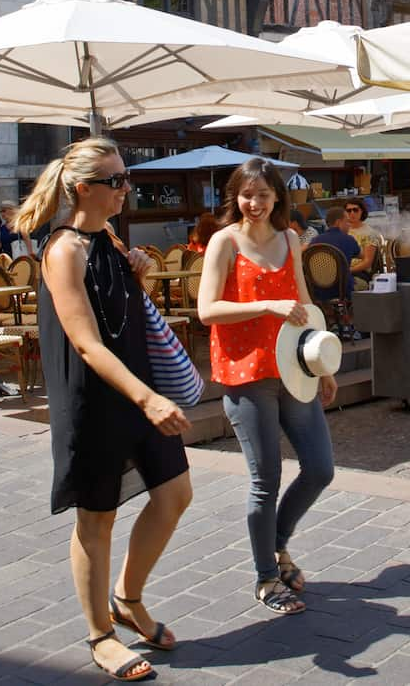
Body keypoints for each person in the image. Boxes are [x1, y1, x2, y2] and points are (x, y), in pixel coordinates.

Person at [17, 138, 190, 683]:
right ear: (82, 188)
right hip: (94, 399)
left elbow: (122, 316)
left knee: (175, 493)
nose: (126, 188)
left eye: (126, 178)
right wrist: (148, 396)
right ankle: (100, 634)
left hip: (136, 388)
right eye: (115, 180)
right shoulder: (62, 249)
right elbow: (88, 344)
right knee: (97, 517)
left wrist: (136, 275)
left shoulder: (110, 238)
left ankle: (126, 596)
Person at [199, 158, 337, 617]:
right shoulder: (224, 241)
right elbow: (207, 311)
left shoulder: (290, 239)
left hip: (295, 368)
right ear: (234, 197)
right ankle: (265, 577)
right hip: (245, 372)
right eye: (245, 194)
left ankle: (277, 546)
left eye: (262, 194)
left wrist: (324, 361)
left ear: (278, 195)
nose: (253, 203)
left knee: (320, 468)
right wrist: (266, 305)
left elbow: (303, 301)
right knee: (266, 480)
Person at [307, 207, 366, 339]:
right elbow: (362, 256)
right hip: (342, 288)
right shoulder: (348, 239)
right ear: (339, 222)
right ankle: (349, 324)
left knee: (326, 294)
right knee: (365, 286)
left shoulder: (315, 241)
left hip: (318, 290)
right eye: (347, 222)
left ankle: (332, 322)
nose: (349, 225)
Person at [340, 199, 380, 269]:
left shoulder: (369, 233)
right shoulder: (342, 231)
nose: (352, 213)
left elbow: (367, 262)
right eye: (348, 211)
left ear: (362, 211)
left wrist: (348, 272)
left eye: (355, 210)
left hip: (359, 272)